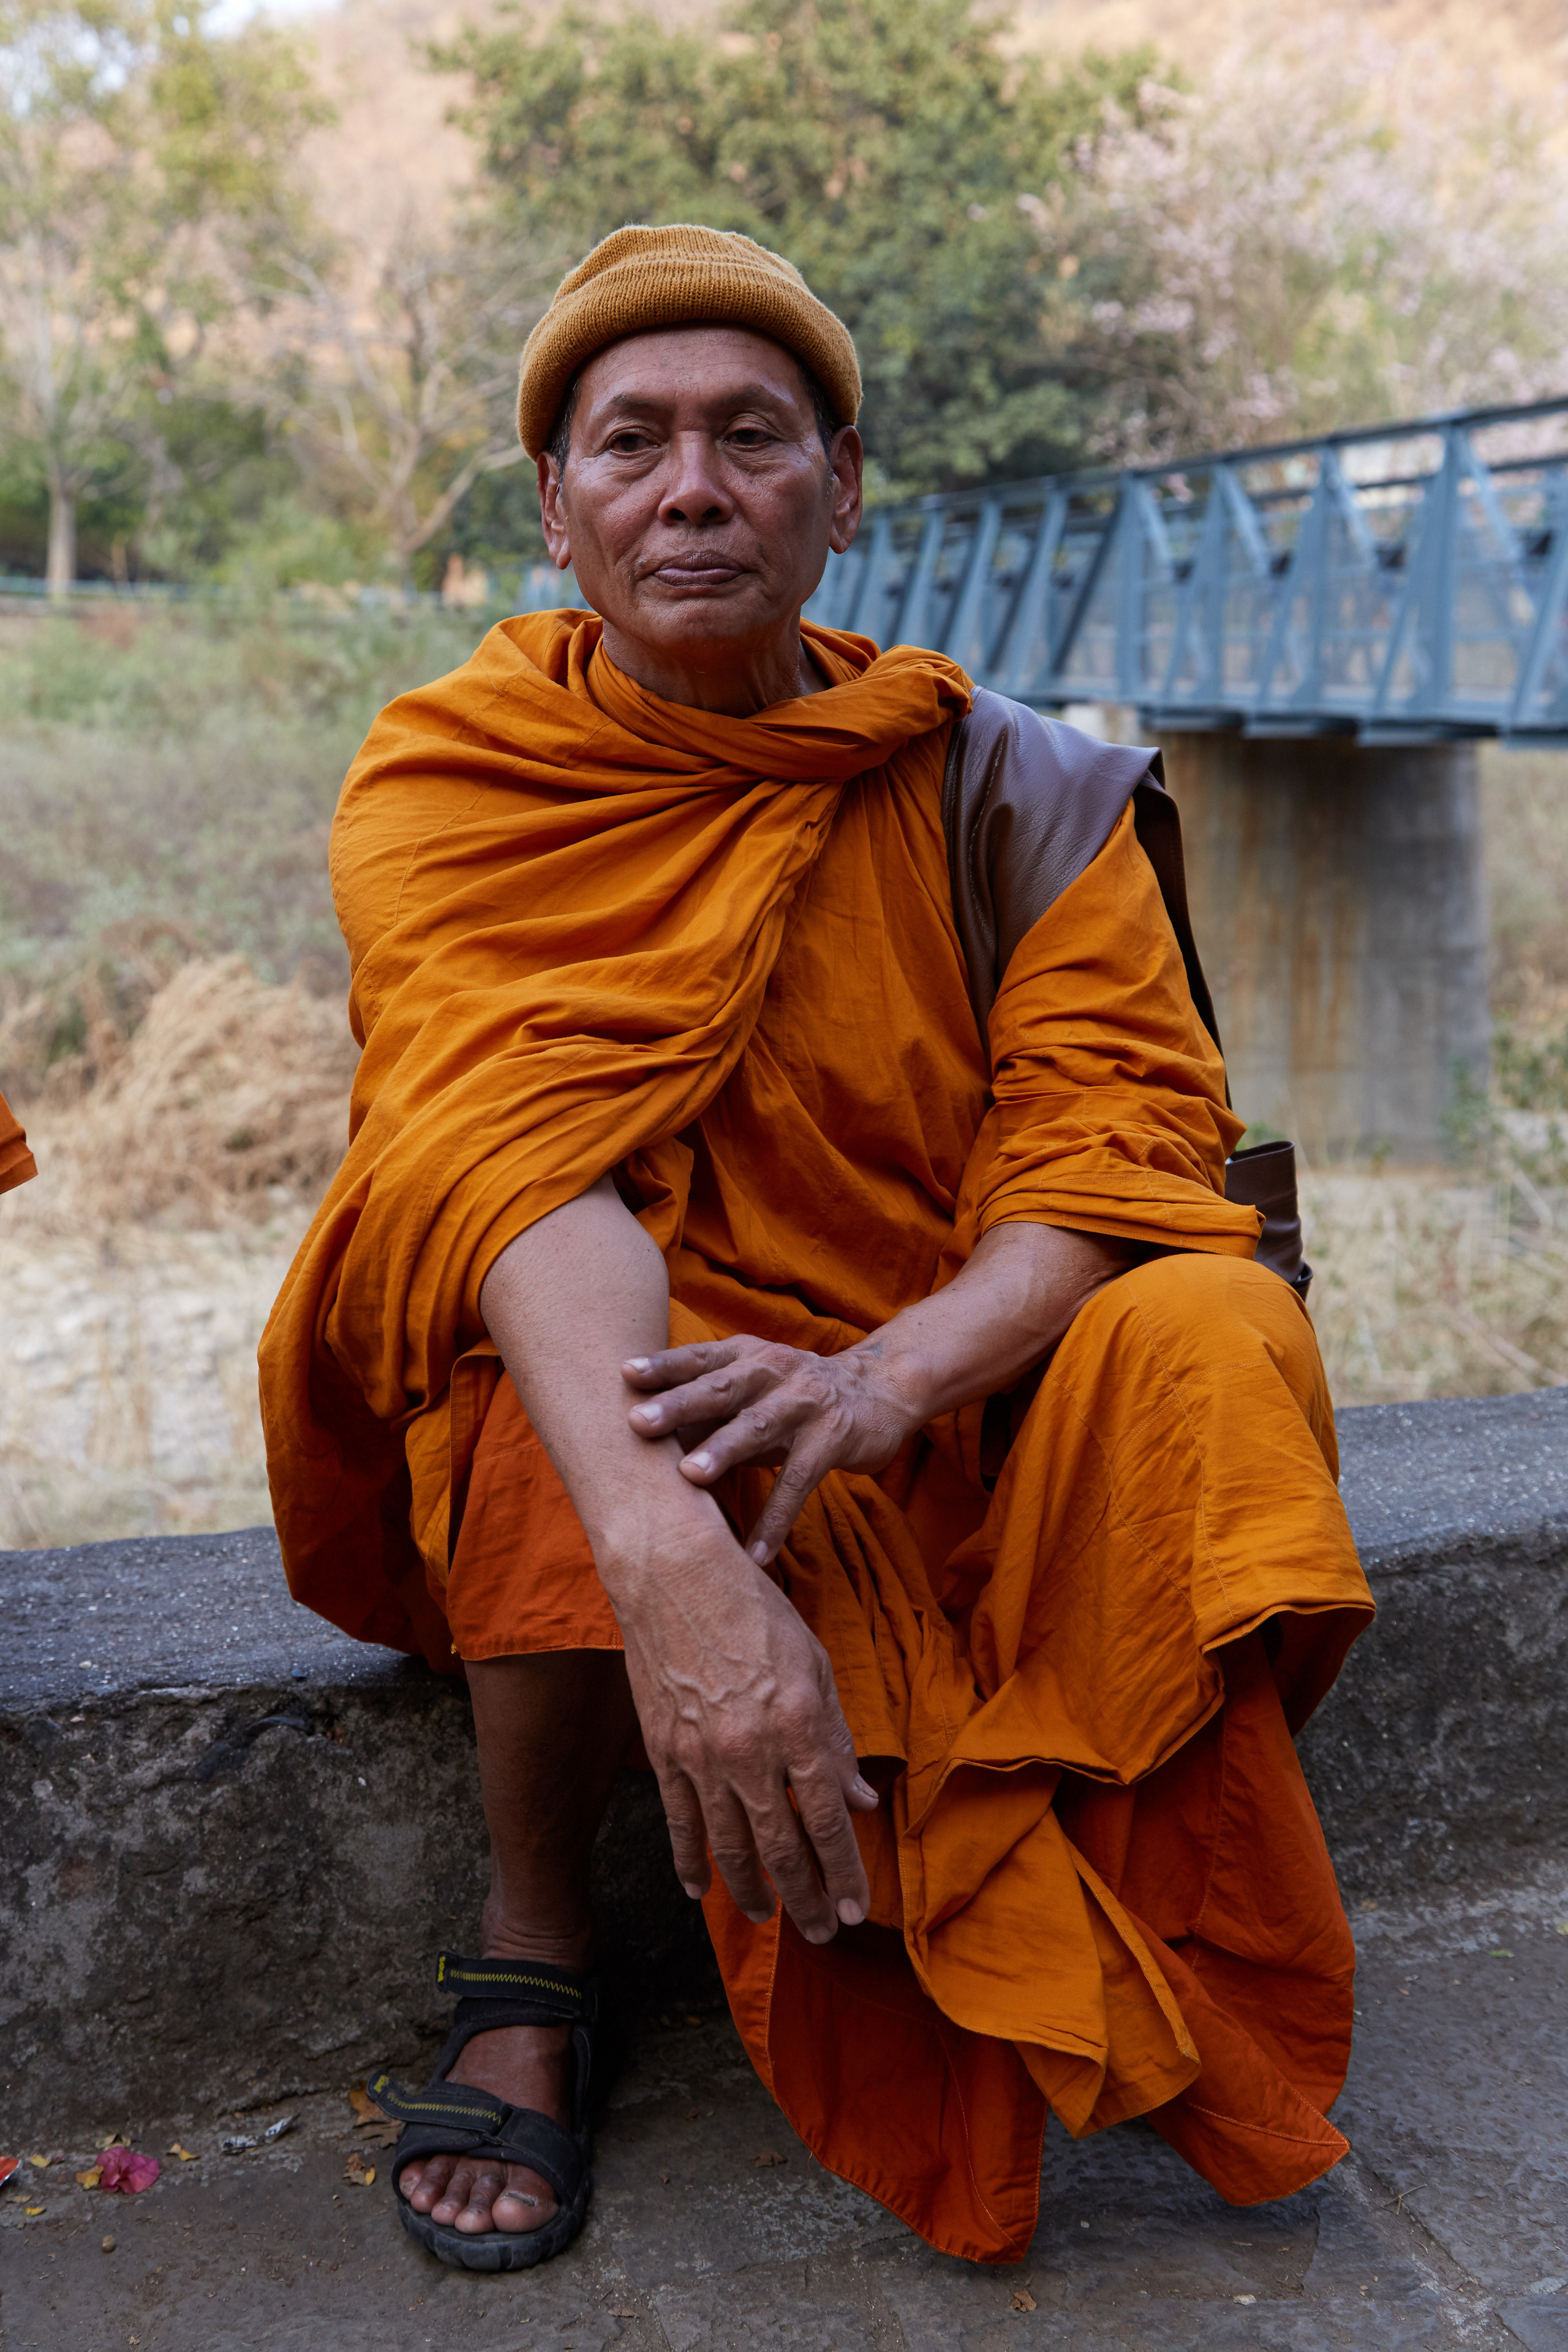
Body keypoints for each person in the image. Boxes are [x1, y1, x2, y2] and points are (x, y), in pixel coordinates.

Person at [260, 224, 1373, 2275]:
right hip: (671, 1387)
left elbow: (1116, 1146)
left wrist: (888, 1380)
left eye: (753, 437)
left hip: (956, 1388)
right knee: (546, 1389)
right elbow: (510, 1166)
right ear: (558, 508)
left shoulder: (1016, 788)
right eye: (633, 444)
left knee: (1210, 1321)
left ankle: (1152, 1888)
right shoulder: (456, 780)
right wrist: (681, 1565)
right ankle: (533, 1951)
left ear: (842, 492)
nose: (693, 487)